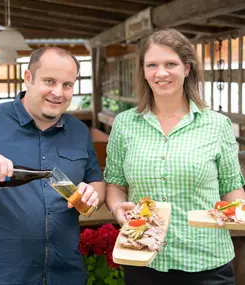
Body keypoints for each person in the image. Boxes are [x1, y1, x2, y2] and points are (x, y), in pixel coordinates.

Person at [104, 28, 245, 285]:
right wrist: (117, 207)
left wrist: (237, 213)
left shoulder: (217, 125)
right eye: (152, 65)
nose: (161, 73)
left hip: (206, 262)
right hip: (143, 259)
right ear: (144, 72)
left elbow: (232, 190)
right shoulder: (124, 124)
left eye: (171, 64)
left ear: (187, 68)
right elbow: (115, 183)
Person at [0, 47, 105, 285]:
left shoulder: (79, 132)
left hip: (66, 274)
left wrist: (93, 194)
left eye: (67, 85)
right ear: (28, 78)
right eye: (49, 81)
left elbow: (96, 181)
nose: (58, 92)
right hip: (0, 277)